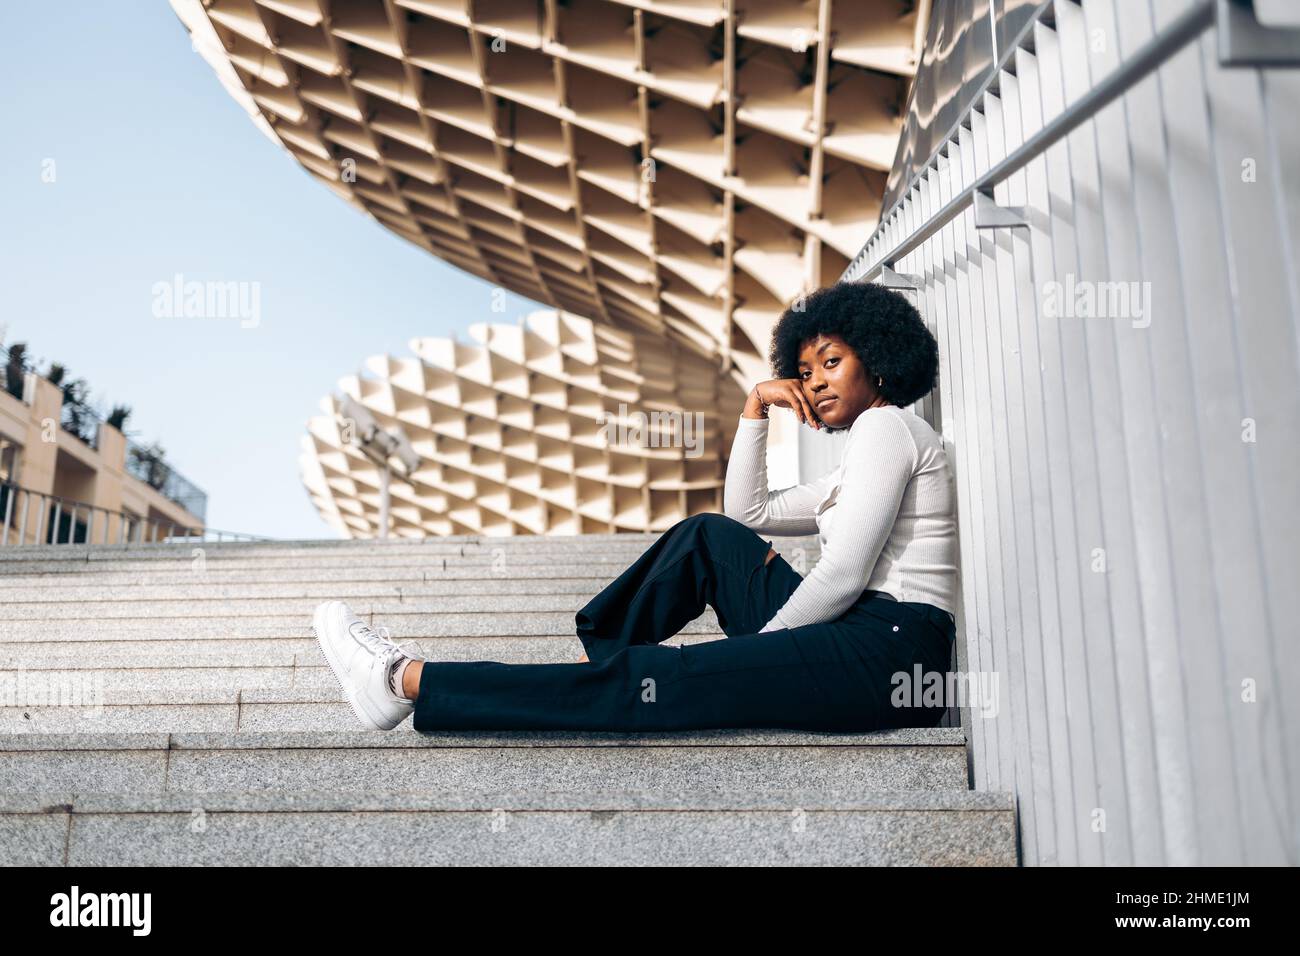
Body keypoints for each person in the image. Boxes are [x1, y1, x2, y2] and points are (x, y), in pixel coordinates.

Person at [312, 282, 959, 734]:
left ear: (877, 359)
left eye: (832, 362)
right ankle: (608, 660)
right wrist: (756, 409)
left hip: (890, 652)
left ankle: (401, 680)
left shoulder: (888, 428)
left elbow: (844, 576)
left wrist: (756, 652)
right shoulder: (864, 458)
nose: (815, 381)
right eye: (804, 369)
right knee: (707, 538)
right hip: (864, 636)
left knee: (667, 680)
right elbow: (749, 515)